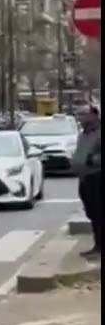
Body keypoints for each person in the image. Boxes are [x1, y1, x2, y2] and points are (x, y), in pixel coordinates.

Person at [72, 106, 102, 258]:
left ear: (94, 115)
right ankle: (97, 245)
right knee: (91, 212)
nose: (80, 118)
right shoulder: (83, 134)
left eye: (83, 114)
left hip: (98, 176)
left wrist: (92, 160)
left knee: (99, 212)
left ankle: (100, 247)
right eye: (78, 114)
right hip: (85, 178)